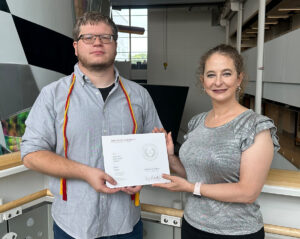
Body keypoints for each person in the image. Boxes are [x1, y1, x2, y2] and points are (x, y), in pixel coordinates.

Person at [21, 12, 162, 239]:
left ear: (115, 45)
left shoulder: (139, 96)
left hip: (125, 223)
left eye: (106, 37)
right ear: (76, 47)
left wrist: (144, 176)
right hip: (73, 225)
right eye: (88, 37)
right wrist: (86, 173)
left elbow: (153, 151)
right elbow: (30, 154)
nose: (97, 42)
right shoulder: (52, 96)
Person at [153, 44, 279, 239]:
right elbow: (194, 175)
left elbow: (247, 192)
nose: (218, 81)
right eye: (211, 75)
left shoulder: (255, 126)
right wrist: (170, 157)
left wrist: (191, 188)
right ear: (203, 82)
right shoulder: (197, 122)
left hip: (236, 233)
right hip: (192, 226)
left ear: (239, 78)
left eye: (226, 74)